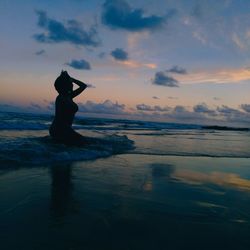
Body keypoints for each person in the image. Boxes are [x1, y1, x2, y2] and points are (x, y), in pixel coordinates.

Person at [49, 71, 88, 145]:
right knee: (86, 143)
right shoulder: (61, 98)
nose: (73, 85)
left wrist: (72, 79)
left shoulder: (69, 96)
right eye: (71, 83)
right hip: (59, 129)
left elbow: (83, 86)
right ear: (66, 85)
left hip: (65, 129)